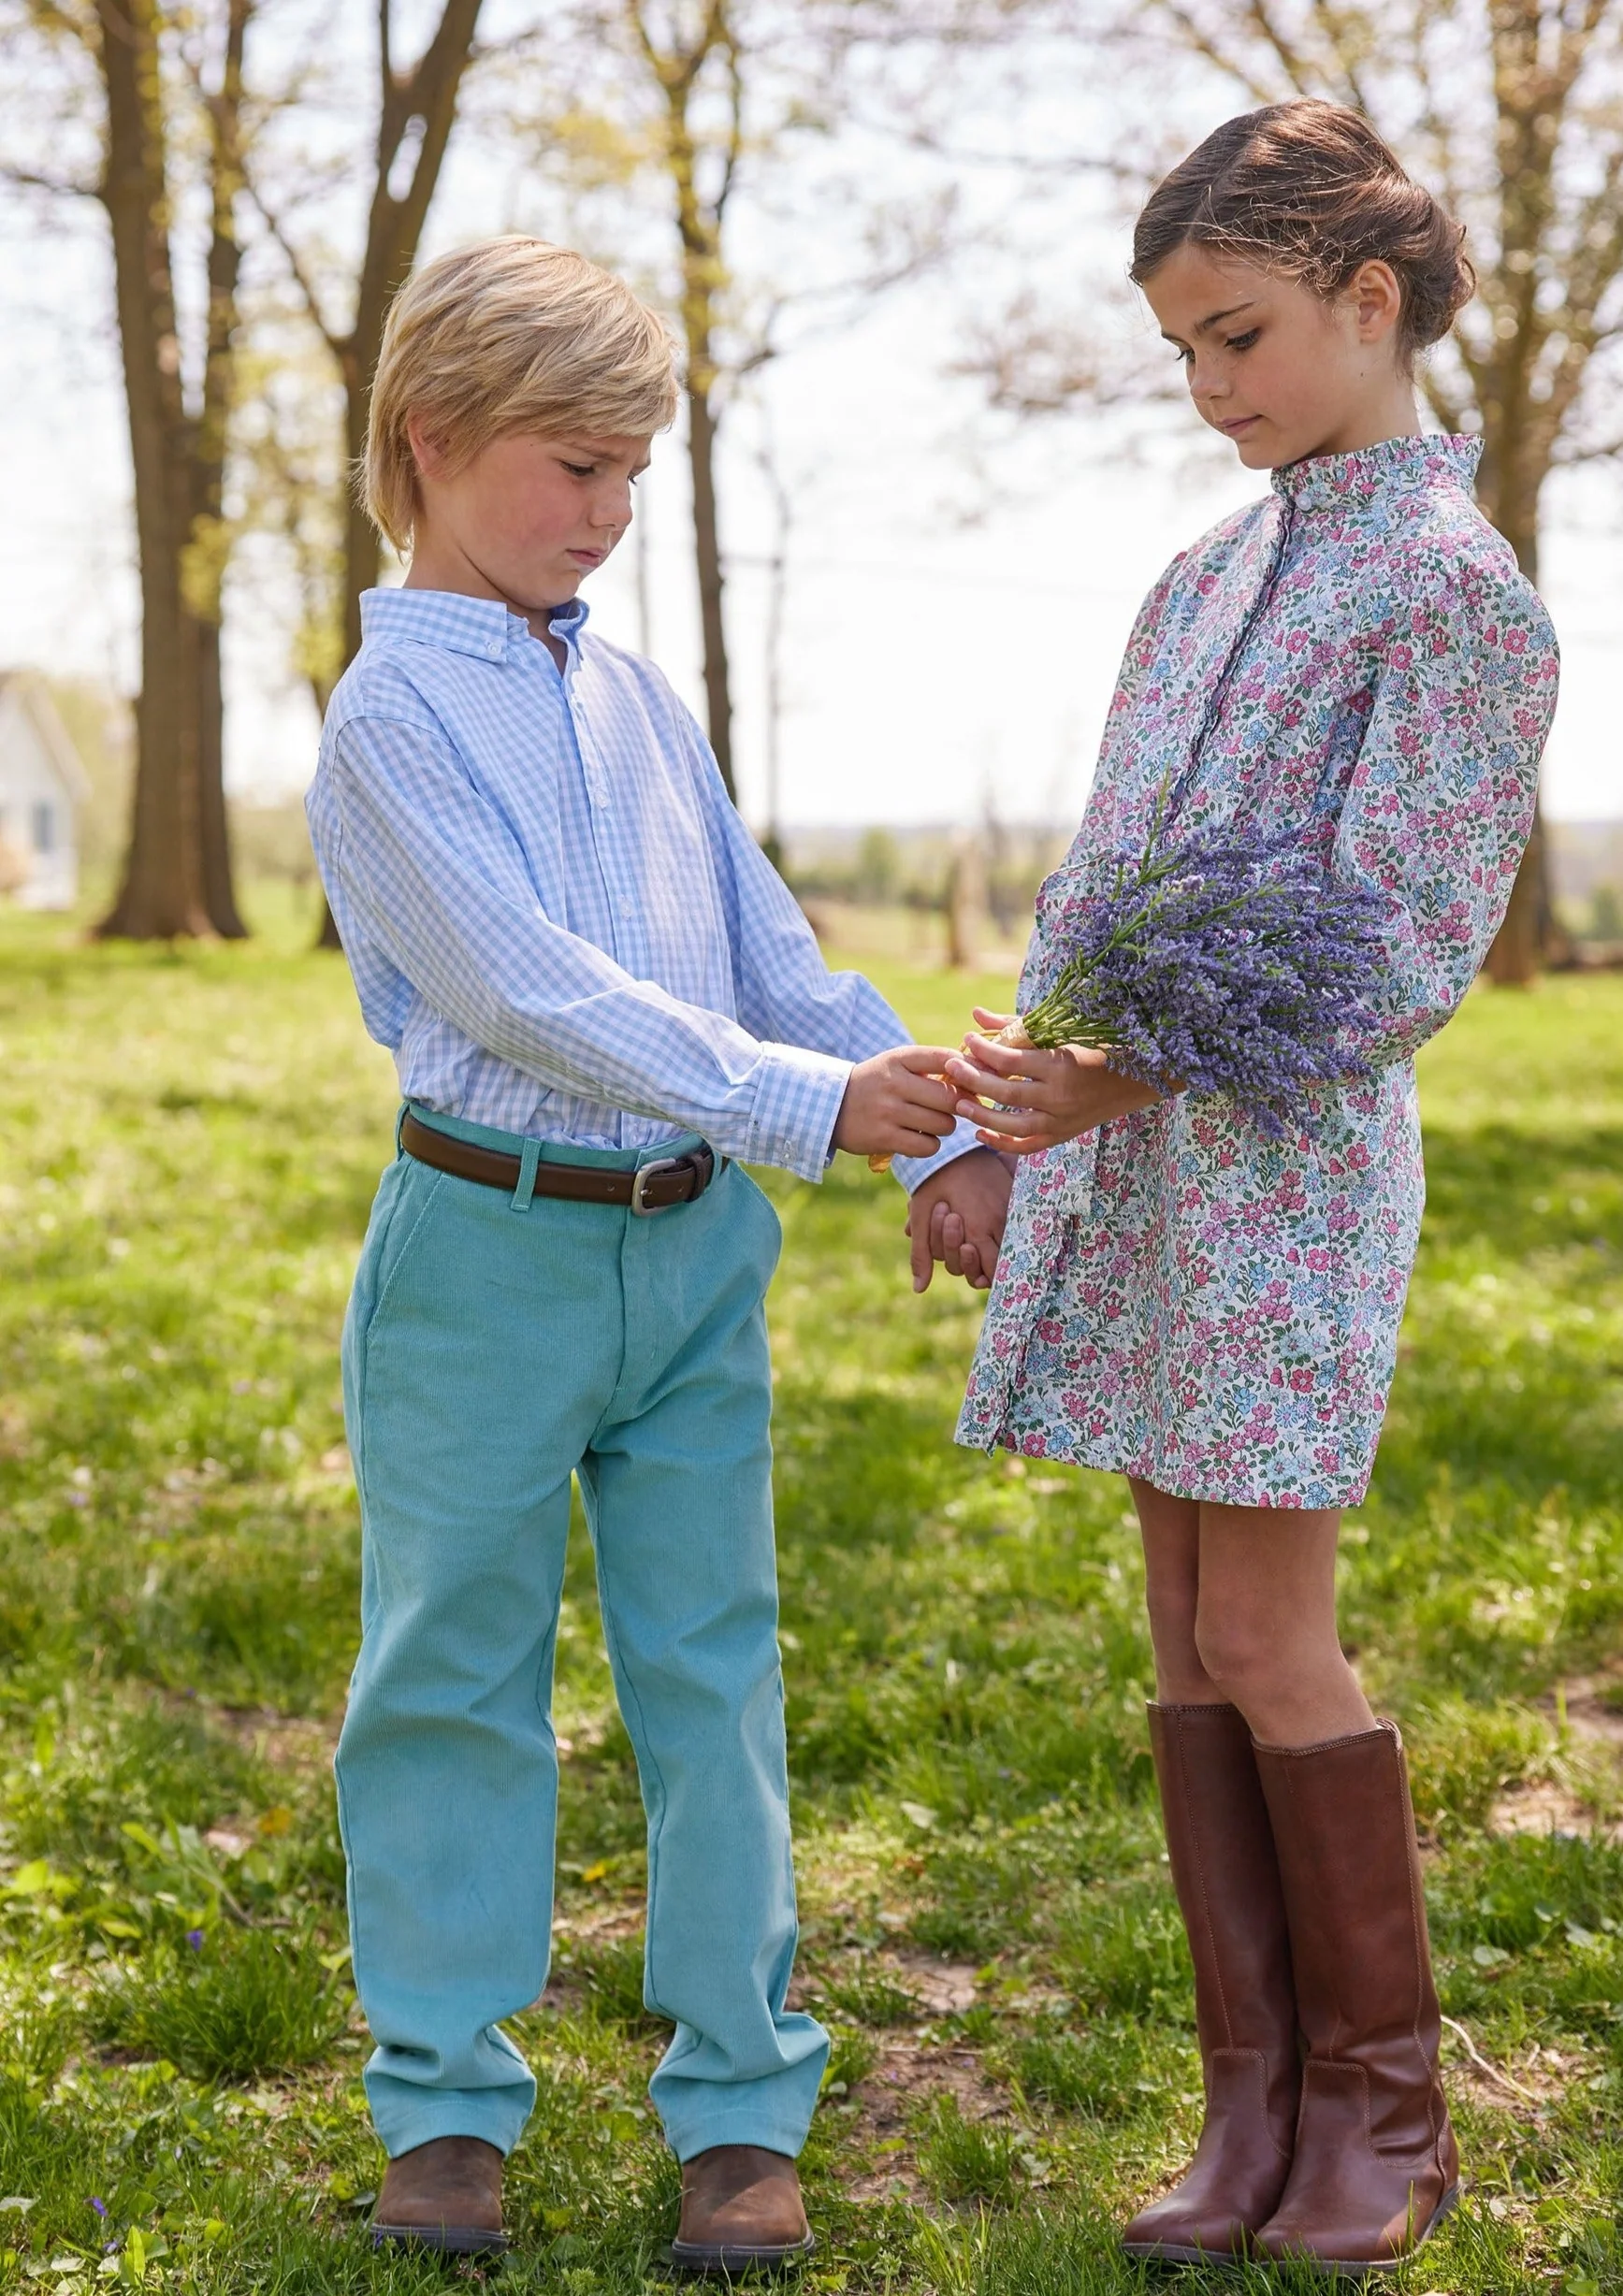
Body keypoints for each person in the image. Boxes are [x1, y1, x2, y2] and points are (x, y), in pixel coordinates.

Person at [305, 235, 1010, 2269]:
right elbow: (539, 996)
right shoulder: (389, 728)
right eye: (574, 468)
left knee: (713, 1671)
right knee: (452, 1672)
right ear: (430, 444)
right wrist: (810, 1113)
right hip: (485, 1258)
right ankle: (444, 2103)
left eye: (631, 473)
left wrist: (934, 1124)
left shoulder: (628, 692)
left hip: (690, 1261)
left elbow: (761, 956)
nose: (610, 514)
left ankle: (738, 2103)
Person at [943, 102, 1558, 2274]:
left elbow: (1402, 942)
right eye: (1184, 354)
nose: (1211, 391)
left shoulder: (1454, 591)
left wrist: (1125, 1074)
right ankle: (1254, 2104)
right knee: (1178, 1635)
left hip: (1282, 1179)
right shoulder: (1203, 577)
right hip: (1126, 1174)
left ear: (1368, 304)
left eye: (1240, 336)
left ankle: (1386, 2116)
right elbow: (1104, 881)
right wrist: (997, 1120)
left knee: (1270, 1631)